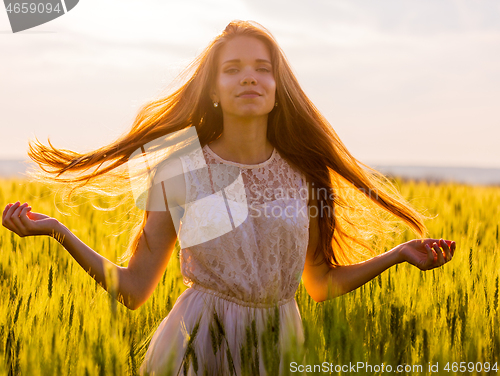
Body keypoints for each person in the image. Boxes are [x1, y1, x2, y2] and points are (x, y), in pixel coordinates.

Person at [2, 20, 455, 376]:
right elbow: (136, 289)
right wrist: (59, 232)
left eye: (262, 68)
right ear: (214, 89)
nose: (249, 79)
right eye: (233, 69)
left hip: (280, 346)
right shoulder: (178, 167)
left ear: (279, 89)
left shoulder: (306, 172)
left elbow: (318, 284)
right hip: (198, 343)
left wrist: (396, 255)